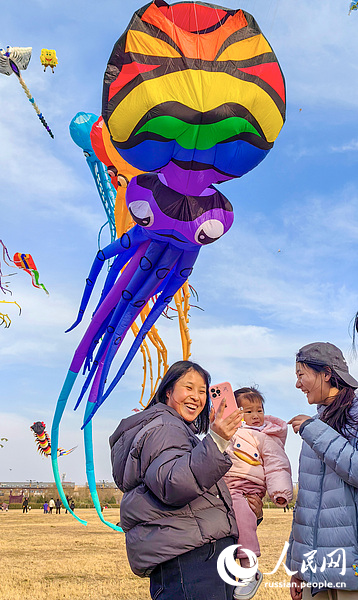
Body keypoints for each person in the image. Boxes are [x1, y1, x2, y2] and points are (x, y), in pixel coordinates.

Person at [109, 360, 262, 600]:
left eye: (202, 391)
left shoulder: (177, 430)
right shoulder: (164, 427)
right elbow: (174, 484)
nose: (196, 397)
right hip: (192, 561)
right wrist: (217, 441)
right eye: (188, 388)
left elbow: (196, 494)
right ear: (168, 391)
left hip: (195, 556)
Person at [287, 342, 358, 600]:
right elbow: (306, 502)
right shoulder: (313, 425)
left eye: (301, 375)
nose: (298, 384)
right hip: (313, 574)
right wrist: (297, 567)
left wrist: (314, 431)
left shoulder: (354, 415)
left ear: (326, 373)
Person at [224, 387, 293, 599]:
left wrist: (280, 491)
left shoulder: (265, 436)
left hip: (246, 488)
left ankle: (249, 570)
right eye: (248, 411)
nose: (255, 416)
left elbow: (277, 465)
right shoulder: (225, 431)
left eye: (259, 410)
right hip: (224, 487)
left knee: (244, 522)